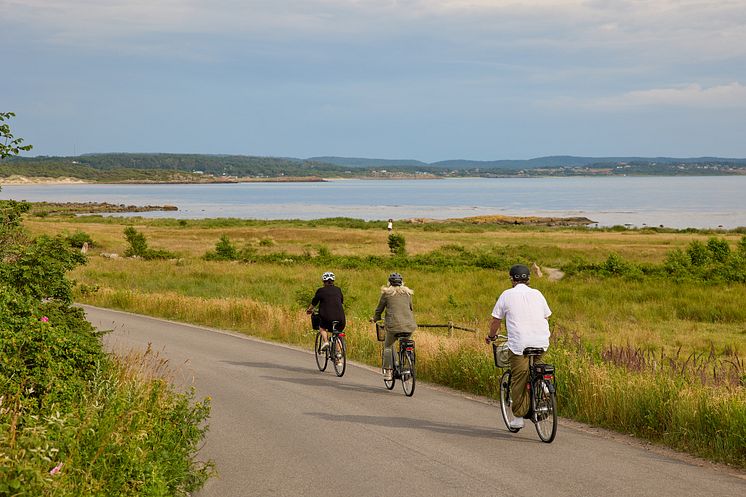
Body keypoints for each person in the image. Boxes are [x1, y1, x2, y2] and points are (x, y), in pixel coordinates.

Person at [485, 264, 551, 430]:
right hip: (541, 341)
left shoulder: (507, 295)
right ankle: (542, 385)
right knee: (537, 368)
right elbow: (546, 316)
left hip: (519, 344)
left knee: (519, 378)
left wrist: (491, 336)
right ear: (528, 278)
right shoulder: (537, 293)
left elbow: (495, 321)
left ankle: (518, 418)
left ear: (512, 279)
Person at [371, 272, 416, 381]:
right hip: (409, 325)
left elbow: (379, 310)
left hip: (393, 326)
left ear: (389, 283)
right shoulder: (408, 294)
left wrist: (375, 318)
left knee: (388, 346)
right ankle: (408, 363)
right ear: (402, 282)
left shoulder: (386, 294)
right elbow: (411, 307)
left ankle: (388, 372)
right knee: (407, 343)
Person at [306, 272, 346, 356]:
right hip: (341, 318)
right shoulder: (338, 289)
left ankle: (326, 341)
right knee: (338, 333)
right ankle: (338, 354)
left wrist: (309, 310)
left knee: (322, 327)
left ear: (323, 282)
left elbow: (314, 302)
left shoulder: (321, 290)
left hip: (327, 317)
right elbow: (341, 301)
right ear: (333, 281)